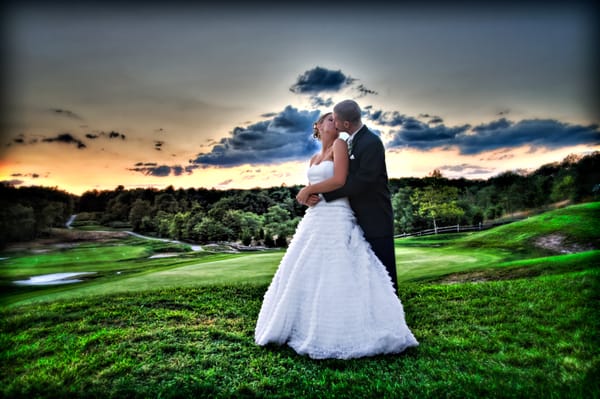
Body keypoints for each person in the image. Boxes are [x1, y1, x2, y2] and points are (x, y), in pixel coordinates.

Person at [254, 111, 418, 360]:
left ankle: (345, 329)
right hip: (316, 217)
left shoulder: (340, 145)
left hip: (339, 214)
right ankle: (302, 323)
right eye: (329, 119)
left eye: (337, 119)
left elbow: (340, 180)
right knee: (306, 269)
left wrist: (309, 189)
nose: (335, 122)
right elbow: (318, 190)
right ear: (318, 126)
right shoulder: (312, 159)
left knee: (338, 267)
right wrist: (309, 197)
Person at [306, 99, 399, 293]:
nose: (335, 124)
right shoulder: (350, 142)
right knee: (364, 270)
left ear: (345, 124)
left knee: (384, 271)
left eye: (336, 119)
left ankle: (392, 311)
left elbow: (363, 181)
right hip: (354, 215)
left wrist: (323, 195)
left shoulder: (371, 142)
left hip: (375, 216)